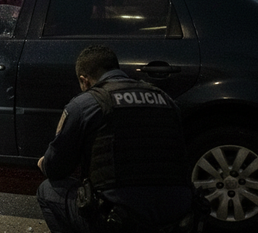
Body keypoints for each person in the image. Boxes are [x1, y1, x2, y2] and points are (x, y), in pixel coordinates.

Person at [37, 45, 193, 233]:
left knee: (47, 190)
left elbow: (56, 168)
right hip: (178, 217)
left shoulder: (84, 105)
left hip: (120, 220)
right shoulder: (166, 100)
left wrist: (44, 163)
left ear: (84, 80)